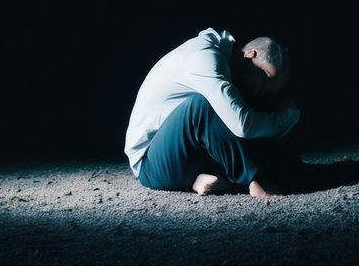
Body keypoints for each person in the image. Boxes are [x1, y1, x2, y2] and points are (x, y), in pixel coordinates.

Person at [124, 27, 300, 199]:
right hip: (152, 165)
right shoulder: (203, 58)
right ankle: (251, 179)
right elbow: (243, 126)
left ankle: (199, 179)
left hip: (188, 156)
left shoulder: (227, 62)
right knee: (201, 106)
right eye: (265, 77)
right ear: (250, 54)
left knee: (247, 106)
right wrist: (286, 119)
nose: (263, 87)